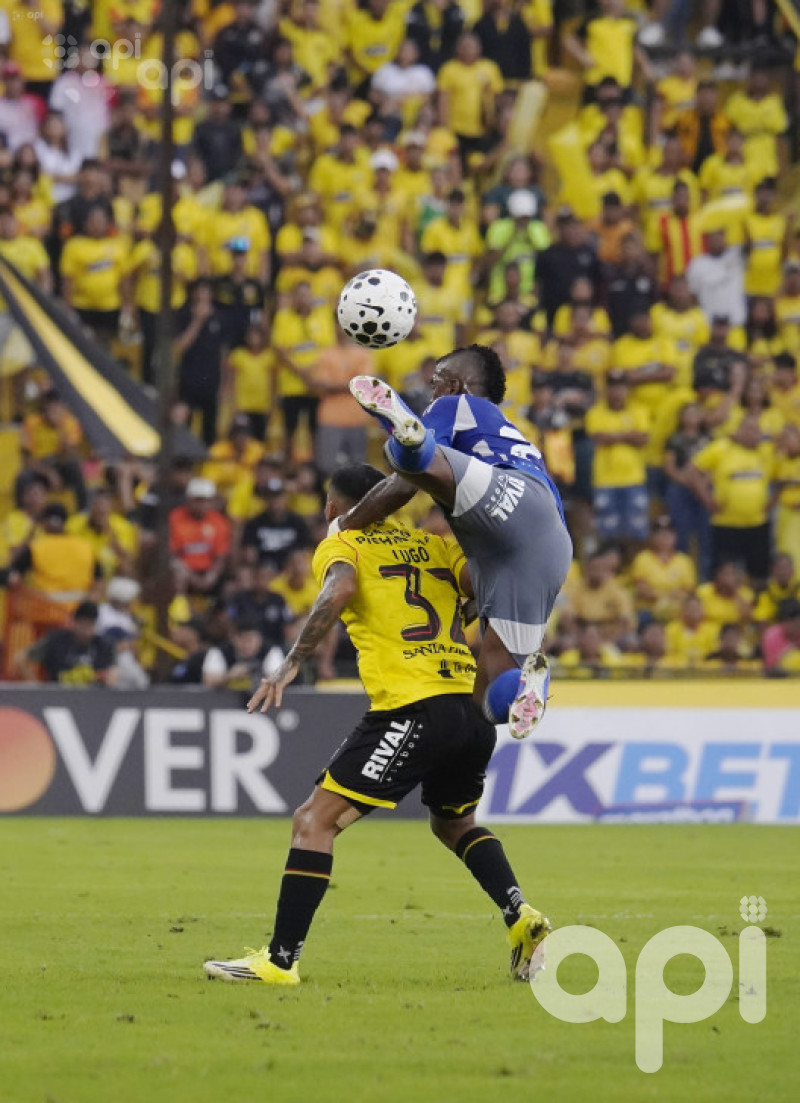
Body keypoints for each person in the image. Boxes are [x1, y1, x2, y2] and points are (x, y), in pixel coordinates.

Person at [205, 464, 549, 985]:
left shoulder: (344, 543)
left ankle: (279, 962)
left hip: (413, 707)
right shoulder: (436, 545)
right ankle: (521, 915)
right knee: (454, 823)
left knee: (313, 821)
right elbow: (482, 596)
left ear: (337, 505)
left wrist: (294, 658)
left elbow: (339, 591)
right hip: (468, 710)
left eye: (327, 500)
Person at [342, 345, 573, 741]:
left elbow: (402, 486)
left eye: (435, 383)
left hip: (508, 499)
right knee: (490, 695)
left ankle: (404, 433)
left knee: (408, 459)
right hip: (546, 545)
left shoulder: (457, 402)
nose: (433, 391)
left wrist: (346, 526)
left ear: (455, 381)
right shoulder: (512, 435)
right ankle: (530, 688)